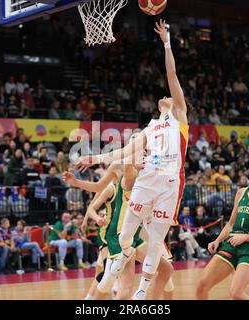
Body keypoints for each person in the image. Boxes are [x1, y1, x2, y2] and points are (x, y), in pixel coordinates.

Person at [75, 20, 187, 300]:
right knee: (126, 239)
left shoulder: (180, 118)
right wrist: (95, 157)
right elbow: (123, 153)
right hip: (148, 179)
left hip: (170, 183)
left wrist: (167, 43)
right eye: (163, 97)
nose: (165, 97)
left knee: (155, 245)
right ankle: (115, 266)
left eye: (168, 98)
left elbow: (171, 75)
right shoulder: (150, 127)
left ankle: (140, 293)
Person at [65, 156, 173, 300]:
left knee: (166, 269)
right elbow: (98, 189)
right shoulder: (126, 174)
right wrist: (76, 182)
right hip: (117, 234)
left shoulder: (152, 172)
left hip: (135, 234)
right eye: (140, 150)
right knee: (121, 288)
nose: (144, 154)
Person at [195, 157, 249, 300]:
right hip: (231, 244)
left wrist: (245, 237)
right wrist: (217, 240)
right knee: (202, 286)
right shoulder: (241, 193)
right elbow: (230, 223)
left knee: (236, 293)